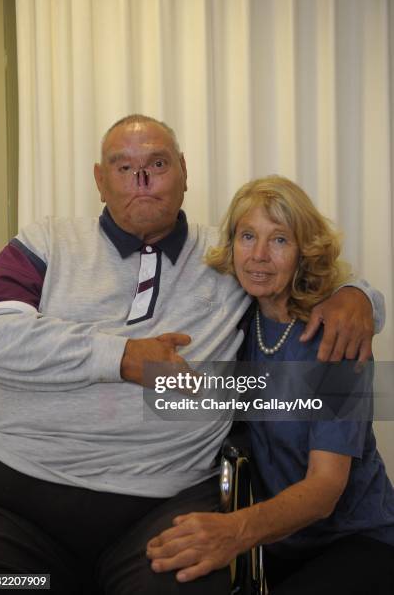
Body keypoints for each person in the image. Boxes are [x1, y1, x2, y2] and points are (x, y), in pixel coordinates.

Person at [0, 116, 384, 594]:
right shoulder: (47, 240)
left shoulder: (224, 255)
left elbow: (299, 262)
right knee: (13, 586)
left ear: (184, 171)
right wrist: (122, 356)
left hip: (160, 510)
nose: (142, 179)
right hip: (18, 507)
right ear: (98, 179)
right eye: (123, 167)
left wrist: (356, 296)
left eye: (157, 163)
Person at [146, 175, 394, 594]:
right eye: (248, 236)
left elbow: (324, 489)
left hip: (356, 539)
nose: (259, 255)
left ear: (304, 252)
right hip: (277, 542)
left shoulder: (336, 341)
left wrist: (234, 530)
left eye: (279, 240)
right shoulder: (238, 319)